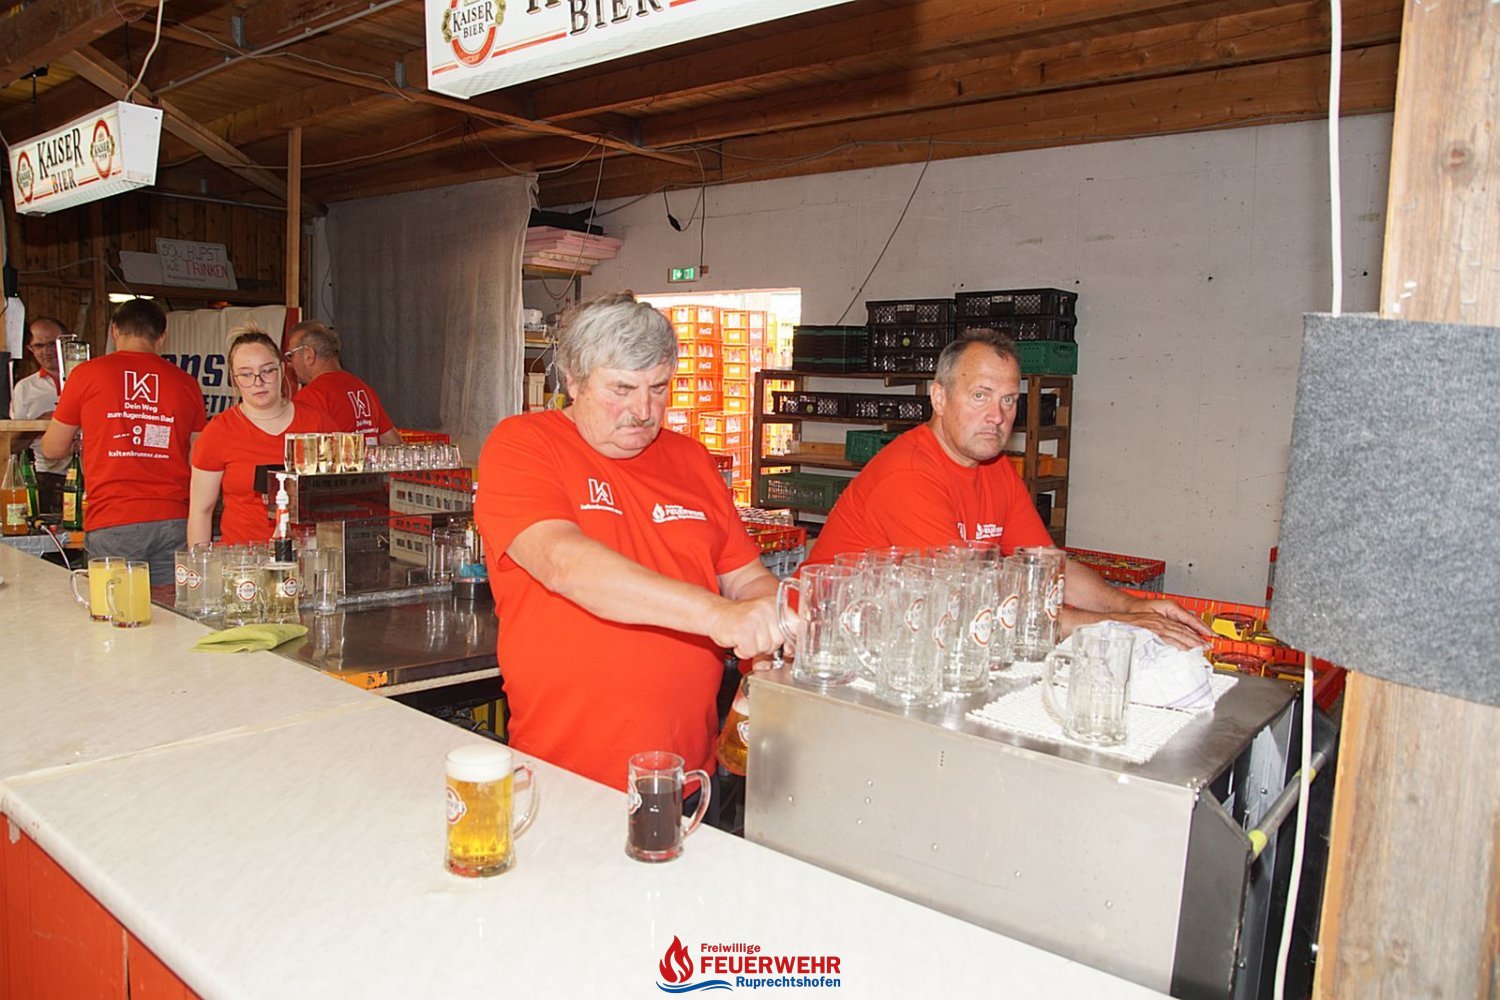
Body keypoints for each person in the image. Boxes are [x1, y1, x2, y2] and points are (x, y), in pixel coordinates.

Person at [474, 292, 784, 793]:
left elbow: (745, 576)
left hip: (687, 776)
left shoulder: (692, 460)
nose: (643, 410)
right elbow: (565, 564)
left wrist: (767, 618)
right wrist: (719, 616)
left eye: (658, 388)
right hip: (569, 777)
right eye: (621, 388)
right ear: (573, 380)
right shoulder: (525, 444)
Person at [805, 328, 1213, 649]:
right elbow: (970, 604)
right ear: (939, 398)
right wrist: (1119, 624)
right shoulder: (908, 475)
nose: (997, 416)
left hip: (914, 639)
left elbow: (1048, 570)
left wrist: (1134, 606)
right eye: (980, 396)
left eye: (1008, 400)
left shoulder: (996, 468)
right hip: (828, 647)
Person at [40, 299, 207, 584]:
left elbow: (52, 449)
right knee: (169, 608)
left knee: (116, 606)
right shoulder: (187, 384)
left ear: (114, 331)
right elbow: (198, 458)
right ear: (162, 337)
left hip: (113, 518)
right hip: (174, 517)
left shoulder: (86, 374)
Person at [188, 329, 338, 546]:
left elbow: (336, 502)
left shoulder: (317, 424)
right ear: (234, 378)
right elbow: (201, 511)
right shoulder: (218, 431)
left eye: (267, 371)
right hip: (241, 558)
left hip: (306, 553)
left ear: (282, 369)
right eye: (246, 374)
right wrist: (199, 563)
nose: (258, 382)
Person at [283, 320, 403, 447]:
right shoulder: (363, 389)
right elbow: (394, 443)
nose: (289, 364)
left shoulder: (311, 396)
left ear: (309, 355)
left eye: (291, 355)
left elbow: (299, 452)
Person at [9, 316, 69, 511]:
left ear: (68, 342)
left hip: (91, 473)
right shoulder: (24, 388)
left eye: (52, 344)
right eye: (39, 345)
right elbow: (12, 446)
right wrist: (38, 424)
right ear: (30, 349)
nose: (47, 351)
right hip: (46, 479)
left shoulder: (90, 379)